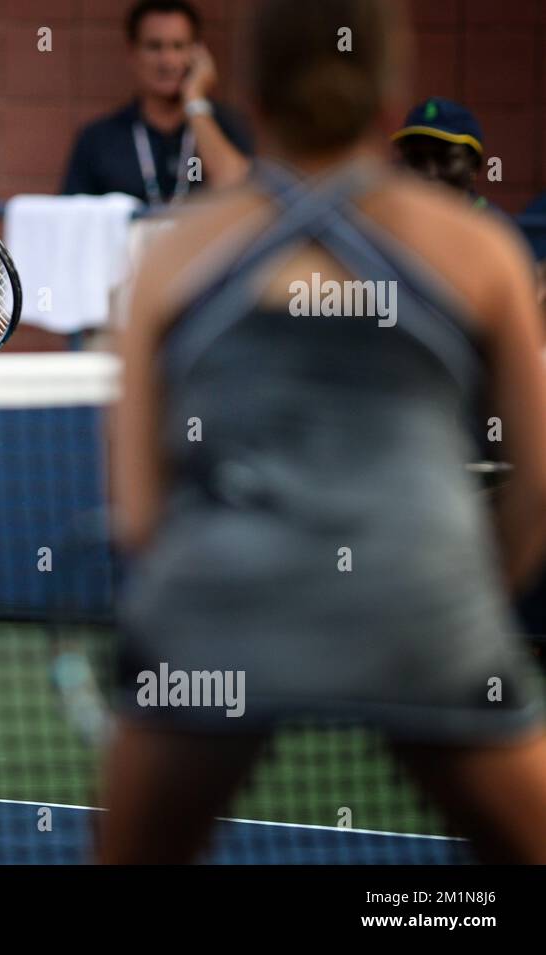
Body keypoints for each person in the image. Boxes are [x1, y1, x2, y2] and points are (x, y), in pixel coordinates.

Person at [103, 0, 546, 863]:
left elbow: (141, 518)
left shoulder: (166, 256)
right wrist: (460, 596)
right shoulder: (484, 251)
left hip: (216, 613)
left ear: (252, 97)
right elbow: (537, 482)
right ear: (391, 95)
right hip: (426, 601)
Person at [60, 0, 252, 205]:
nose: (167, 61)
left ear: (197, 54)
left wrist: (195, 101)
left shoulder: (226, 127)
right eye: (154, 46)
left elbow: (240, 188)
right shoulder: (98, 139)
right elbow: (72, 221)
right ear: (133, 53)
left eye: (178, 46)